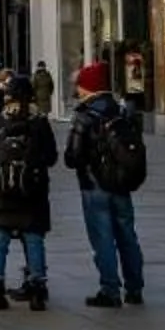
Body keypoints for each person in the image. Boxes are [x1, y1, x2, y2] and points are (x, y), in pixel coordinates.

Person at [62, 60, 149, 308]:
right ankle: (135, 288)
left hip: (94, 185)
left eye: (80, 85)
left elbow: (73, 157)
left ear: (88, 87)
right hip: (121, 184)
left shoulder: (85, 115)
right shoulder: (122, 111)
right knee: (127, 236)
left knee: (103, 238)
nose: (77, 89)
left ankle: (110, 289)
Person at [0, 70, 56, 311]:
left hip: (1, 191)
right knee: (33, 238)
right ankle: (37, 288)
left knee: (0, 238)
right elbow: (51, 157)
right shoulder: (38, 122)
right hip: (31, 191)